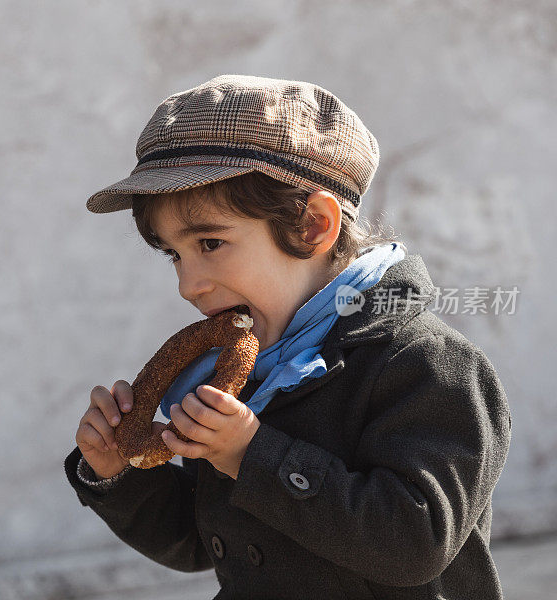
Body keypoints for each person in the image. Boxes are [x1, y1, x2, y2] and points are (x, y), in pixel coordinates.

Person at [64, 75, 512, 599]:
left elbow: (415, 544)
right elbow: (200, 543)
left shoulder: (430, 365)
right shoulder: (231, 375)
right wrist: (119, 474)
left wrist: (251, 457)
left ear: (312, 227)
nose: (188, 285)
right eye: (174, 254)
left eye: (210, 242)